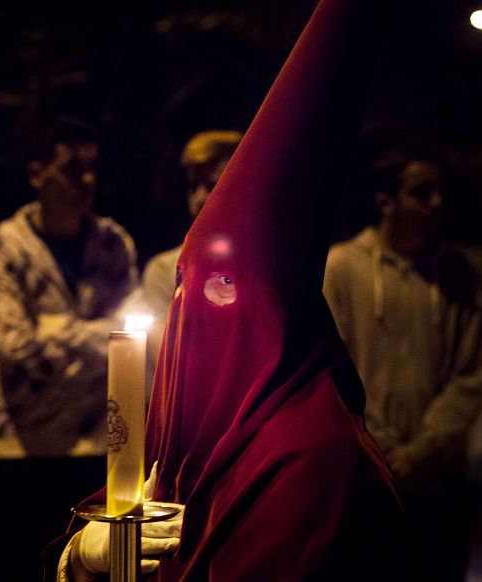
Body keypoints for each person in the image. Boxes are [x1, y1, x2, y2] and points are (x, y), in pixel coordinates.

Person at [57, 0, 408, 579]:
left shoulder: (312, 462)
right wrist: (87, 554)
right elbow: (117, 518)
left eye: (221, 287)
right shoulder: (197, 440)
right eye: (181, 288)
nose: (190, 312)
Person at [0, 117, 139, 580]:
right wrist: (94, 336)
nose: (87, 181)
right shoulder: (4, 247)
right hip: (24, 447)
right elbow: (13, 348)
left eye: (92, 168)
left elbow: (130, 341)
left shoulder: (113, 243)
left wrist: (51, 329)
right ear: (37, 175)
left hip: (94, 443)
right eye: (72, 169)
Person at [323, 148, 482, 580]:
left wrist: (423, 450)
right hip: (363, 485)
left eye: (439, 191)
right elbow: (331, 368)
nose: (437, 203)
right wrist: (376, 445)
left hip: (438, 485)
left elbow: (471, 374)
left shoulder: (457, 275)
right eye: (421, 192)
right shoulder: (342, 269)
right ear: (385, 202)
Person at [143, 130, 241, 375]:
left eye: (212, 186)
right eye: (193, 186)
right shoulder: (165, 269)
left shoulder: (265, 268)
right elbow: (167, 362)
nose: (199, 198)